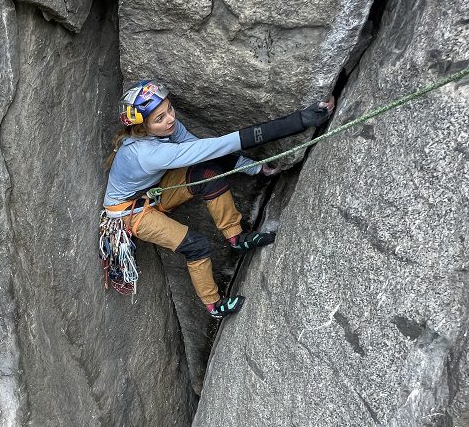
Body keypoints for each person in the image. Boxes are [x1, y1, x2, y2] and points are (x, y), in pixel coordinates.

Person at [103, 80, 334, 319]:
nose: (170, 119)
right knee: (196, 246)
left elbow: (203, 150)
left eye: (169, 110)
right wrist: (300, 121)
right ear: (142, 128)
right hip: (130, 214)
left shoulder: (166, 131)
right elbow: (220, 145)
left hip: (152, 193)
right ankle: (214, 306)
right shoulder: (148, 154)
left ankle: (236, 237)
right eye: (159, 118)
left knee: (208, 174)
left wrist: (253, 168)